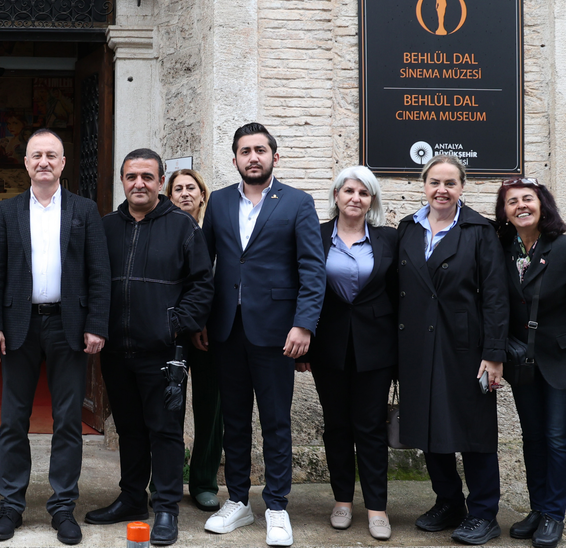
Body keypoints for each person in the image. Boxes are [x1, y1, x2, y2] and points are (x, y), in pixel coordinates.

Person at [0, 128, 110, 545]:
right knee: (13, 420)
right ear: (25, 163)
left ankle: (63, 507)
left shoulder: (84, 209)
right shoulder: (7, 211)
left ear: (63, 163)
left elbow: (99, 272)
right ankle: (11, 505)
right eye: (36, 155)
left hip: (68, 325)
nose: (43, 162)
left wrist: (96, 324)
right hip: (18, 325)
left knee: (68, 420)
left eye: (51, 155)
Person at [199, 122, 325, 547]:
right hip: (226, 330)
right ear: (235, 159)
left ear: (274, 156)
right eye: (245, 151)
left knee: (275, 421)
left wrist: (304, 324)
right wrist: (200, 319)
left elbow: (312, 269)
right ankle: (237, 500)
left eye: (260, 150)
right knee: (233, 421)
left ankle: (276, 507)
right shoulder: (218, 202)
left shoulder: (297, 202)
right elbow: (204, 266)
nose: (253, 157)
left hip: (277, 332)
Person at [85, 150, 213, 546]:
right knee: (129, 429)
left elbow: (201, 285)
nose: (138, 183)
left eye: (147, 176)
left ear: (160, 182)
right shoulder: (106, 226)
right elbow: (91, 279)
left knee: (165, 430)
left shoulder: (182, 226)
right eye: (131, 176)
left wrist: (174, 325)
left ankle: (168, 507)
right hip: (116, 350)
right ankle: (131, 499)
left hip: (163, 352)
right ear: (122, 181)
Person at [396, 155, 509, 546]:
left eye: (450, 183)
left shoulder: (480, 230)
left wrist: (494, 354)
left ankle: (483, 512)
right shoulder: (408, 228)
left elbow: (496, 296)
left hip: (466, 346)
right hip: (417, 344)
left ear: (462, 187)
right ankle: (448, 501)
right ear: (423, 185)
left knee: (473, 429)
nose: (441, 190)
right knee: (428, 426)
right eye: (434, 182)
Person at [494, 178, 566, 548]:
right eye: (512, 201)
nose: (521, 206)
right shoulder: (503, 250)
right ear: (505, 212)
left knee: (558, 439)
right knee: (532, 438)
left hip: (564, 359)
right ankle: (538, 508)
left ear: (542, 205)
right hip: (523, 362)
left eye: (527, 199)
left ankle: (554, 515)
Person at [295, 166, 397, 540]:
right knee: (337, 425)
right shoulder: (316, 235)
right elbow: (302, 285)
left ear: (372, 201)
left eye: (363, 193)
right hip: (328, 346)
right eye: (349, 191)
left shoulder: (389, 239)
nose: (355, 198)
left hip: (377, 348)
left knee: (370, 427)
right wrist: (301, 346)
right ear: (336, 195)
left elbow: (398, 294)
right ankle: (342, 501)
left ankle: (377, 508)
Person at [165, 168, 224, 513]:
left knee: (210, 408)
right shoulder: (162, 229)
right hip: (171, 331)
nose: (185, 193)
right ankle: (165, 482)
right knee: (168, 407)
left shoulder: (216, 231)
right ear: (169, 196)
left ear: (202, 195)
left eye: (191, 188)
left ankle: (203, 482)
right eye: (178, 189)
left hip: (210, 332)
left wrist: (204, 321)